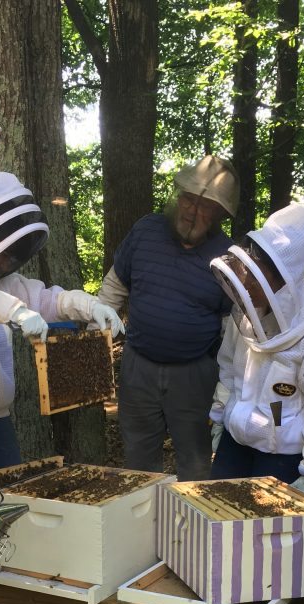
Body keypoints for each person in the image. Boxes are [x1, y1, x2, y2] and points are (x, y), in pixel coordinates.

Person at [0, 171, 124, 472]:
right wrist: (14, 312)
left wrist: (90, 305)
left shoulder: (7, 283)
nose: (5, 262)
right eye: (4, 252)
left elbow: (50, 300)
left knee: (8, 493)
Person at [96, 155, 239, 480]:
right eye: (189, 200)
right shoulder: (146, 230)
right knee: (138, 462)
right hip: (138, 369)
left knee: (195, 462)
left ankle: (194, 530)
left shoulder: (227, 257)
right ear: (177, 197)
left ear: (219, 214)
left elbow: (232, 329)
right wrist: (95, 331)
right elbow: (115, 286)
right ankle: (140, 526)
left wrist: (227, 385)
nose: (193, 211)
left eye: (205, 206)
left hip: (194, 376)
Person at [208, 203, 304, 498]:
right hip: (234, 445)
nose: (245, 288)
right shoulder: (244, 318)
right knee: (221, 532)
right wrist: (219, 419)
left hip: (283, 459)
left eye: (253, 280)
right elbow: (229, 373)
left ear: (281, 280)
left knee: (267, 543)